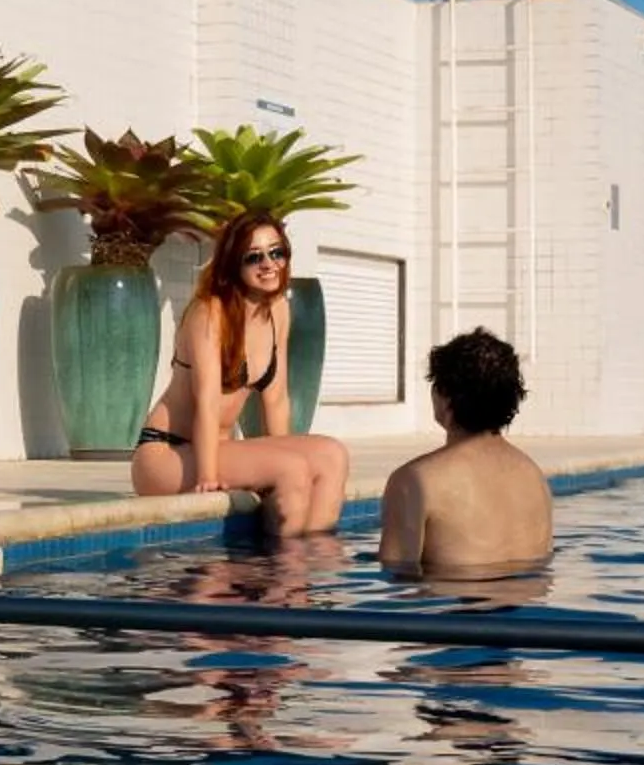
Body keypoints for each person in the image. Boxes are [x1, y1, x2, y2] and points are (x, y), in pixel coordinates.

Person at [129, 212, 350, 534]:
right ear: (234, 264)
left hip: (221, 449)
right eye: (253, 257)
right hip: (167, 455)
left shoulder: (279, 311)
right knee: (291, 470)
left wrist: (284, 449)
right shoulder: (210, 312)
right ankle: (285, 575)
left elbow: (276, 399)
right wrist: (207, 477)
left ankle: (311, 560)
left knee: (332, 454)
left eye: (277, 252)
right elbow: (206, 402)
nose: (269, 264)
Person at [379, 328, 553, 579]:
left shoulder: (417, 480)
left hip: (453, 613)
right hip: (531, 613)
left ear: (445, 398)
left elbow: (398, 582)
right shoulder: (534, 476)